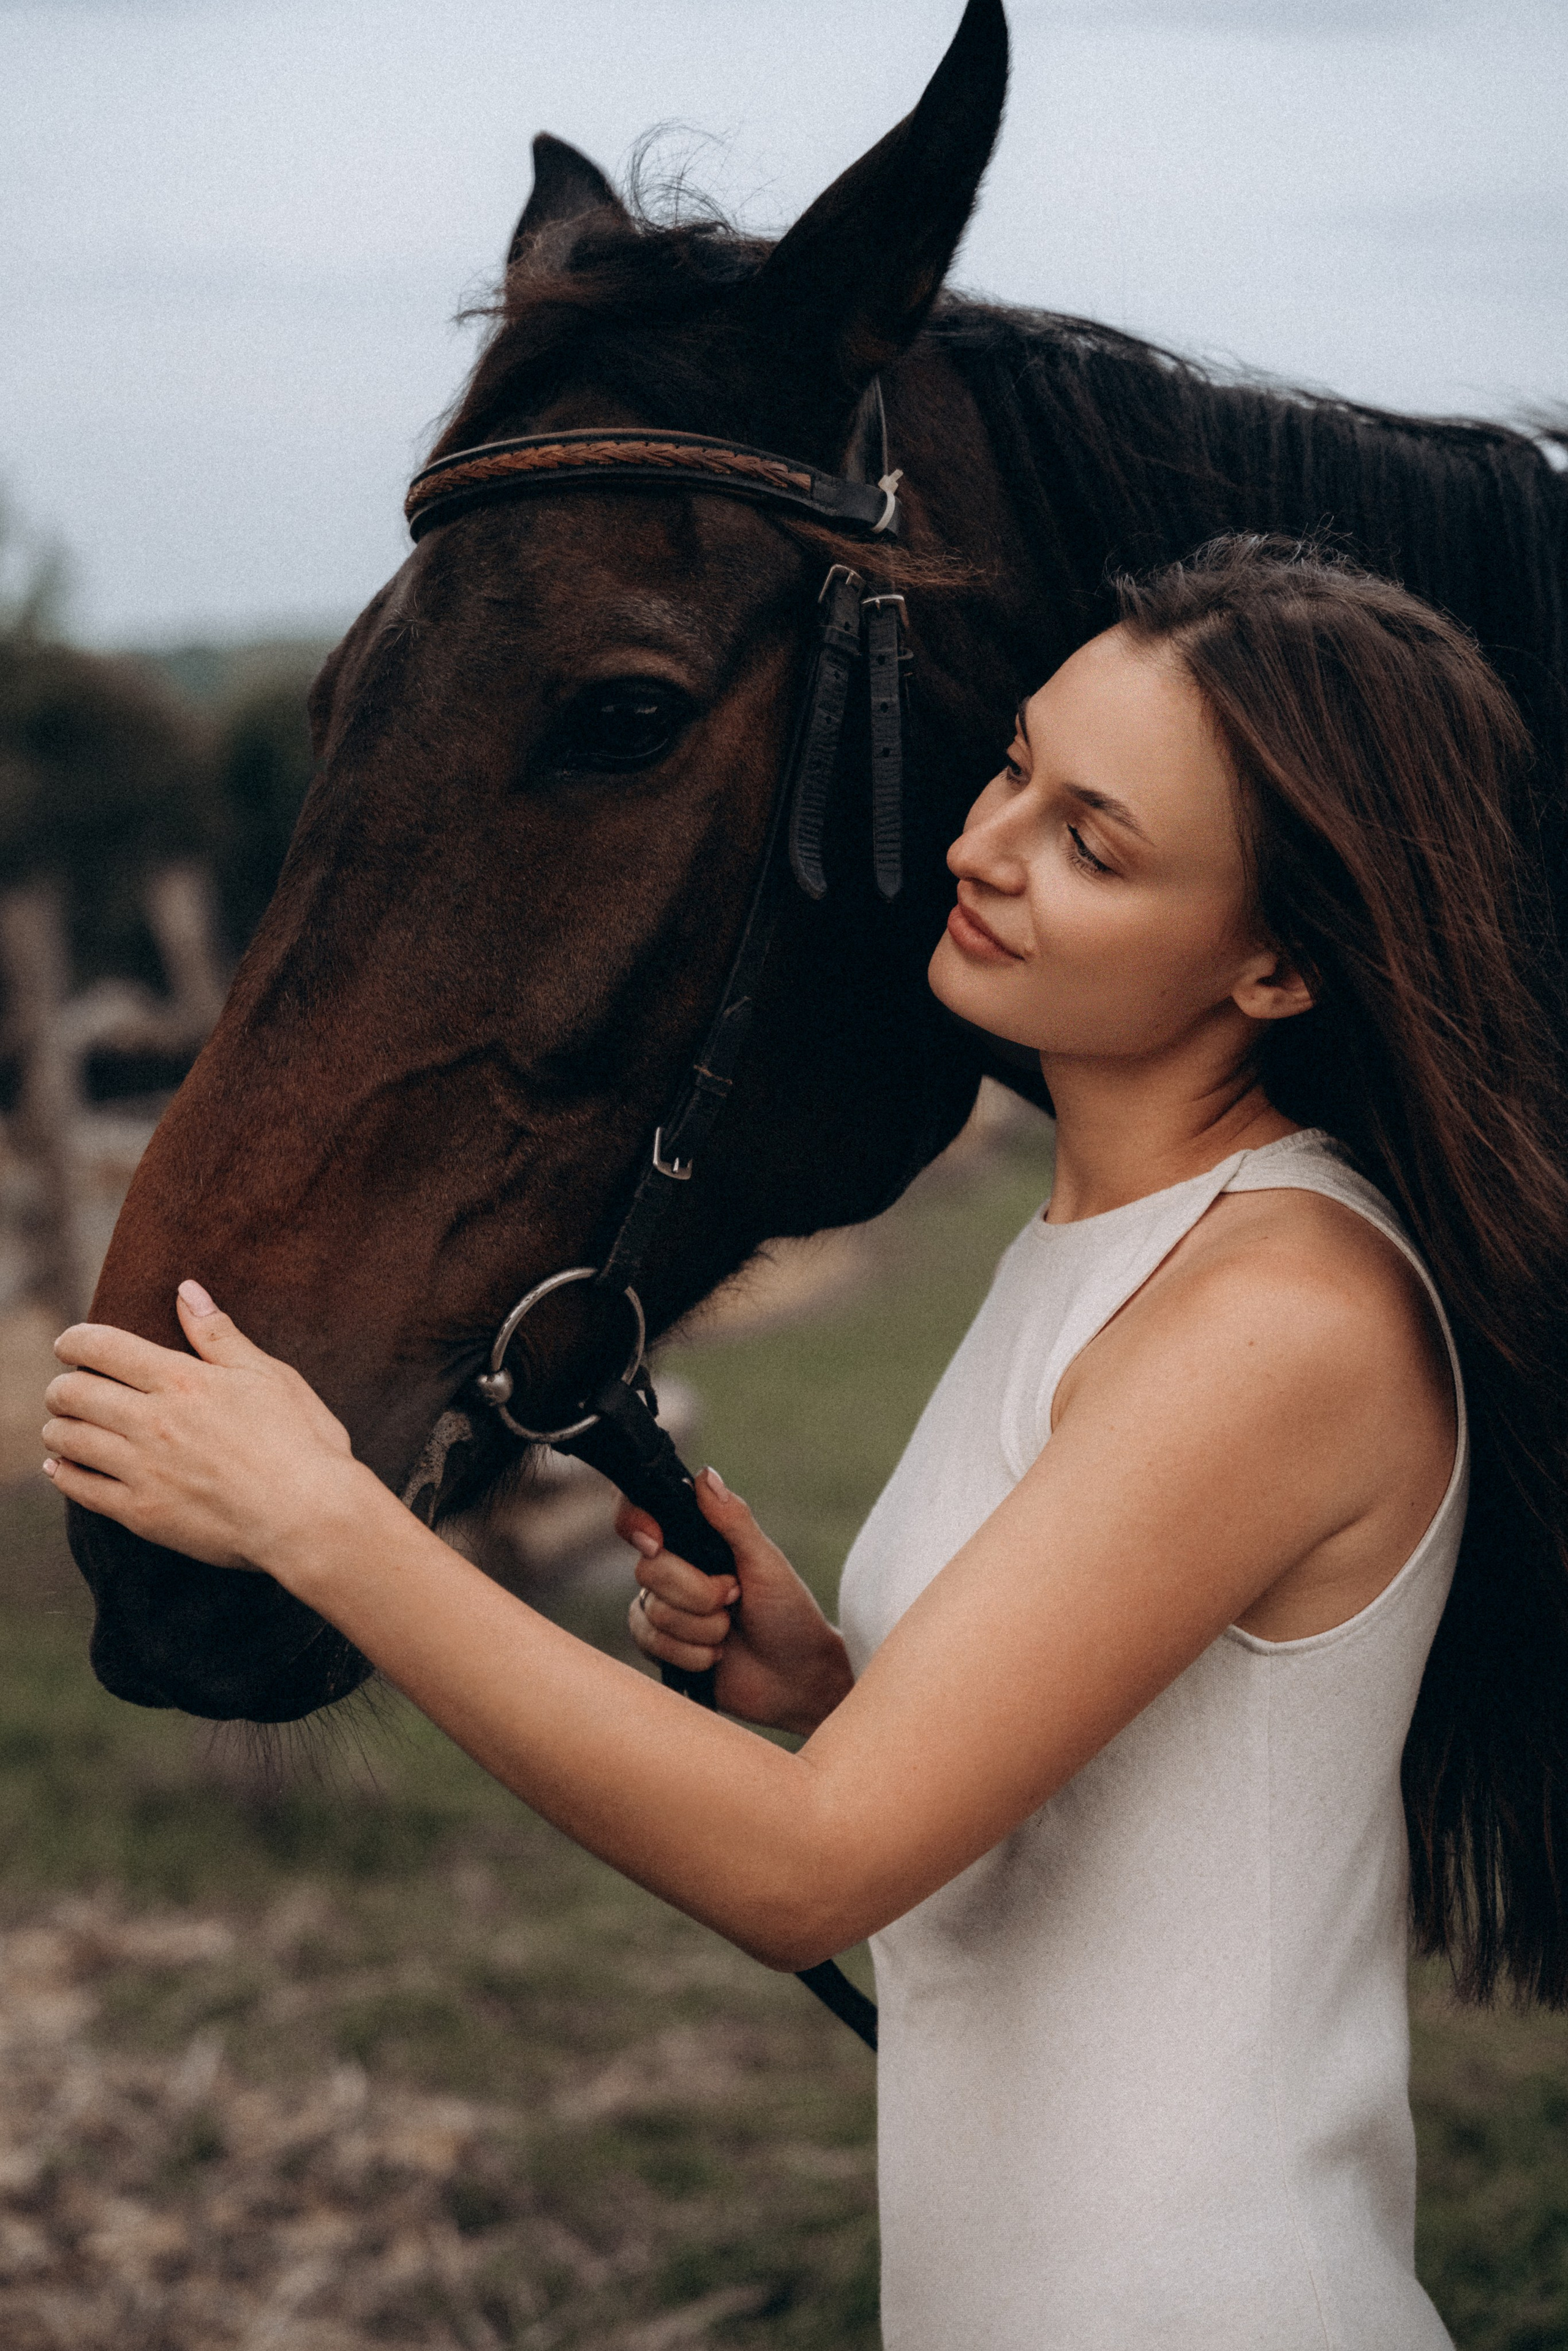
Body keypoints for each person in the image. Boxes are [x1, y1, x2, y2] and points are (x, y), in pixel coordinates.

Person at [39, 538, 1568, 2349]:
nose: (983, 848)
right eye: (1014, 764)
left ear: (1282, 970)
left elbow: (812, 1871)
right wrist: (837, 1691)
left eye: (1096, 842)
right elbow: (1085, 1814)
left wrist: (325, 1523)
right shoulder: (1118, 1248)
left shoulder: (1287, 1316)